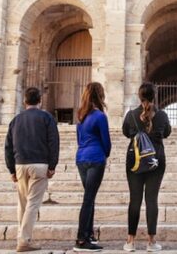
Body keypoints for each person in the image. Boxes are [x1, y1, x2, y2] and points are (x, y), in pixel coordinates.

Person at [5, 86, 60, 253]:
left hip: (20, 164)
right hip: (40, 164)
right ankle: (24, 240)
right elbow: (53, 142)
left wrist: (11, 169)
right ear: (40, 101)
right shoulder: (47, 118)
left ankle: (22, 238)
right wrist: (52, 165)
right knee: (33, 203)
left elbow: (8, 146)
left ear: (24, 101)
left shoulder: (15, 120)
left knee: (22, 203)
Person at [122, 82, 171, 252]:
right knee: (152, 200)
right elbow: (167, 133)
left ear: (139, 96)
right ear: (154, 96)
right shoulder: (162, 115)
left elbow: (126, 132)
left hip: (134, 161)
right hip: (156, 161)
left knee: (134, 200)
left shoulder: (131, 115)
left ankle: (130, 241)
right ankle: (151, 242)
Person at [74, 82, 111, 251]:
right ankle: (81, 239)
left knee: (90, 196)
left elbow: (79, 139)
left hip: (81, 158)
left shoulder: (80, 115)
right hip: (95, 158)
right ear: (99, 95)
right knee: (89, 199)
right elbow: (106, 141)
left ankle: (88, 234)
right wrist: (105, 154)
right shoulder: (100, 116)